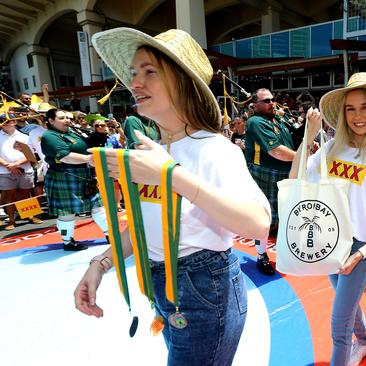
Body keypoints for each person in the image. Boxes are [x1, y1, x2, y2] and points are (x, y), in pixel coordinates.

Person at [73, 28, 270, 366]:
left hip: (204, 289)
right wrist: (100, 264)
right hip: (166, 289)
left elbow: (259, 225)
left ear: (182, 82)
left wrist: (172, 176)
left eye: (150, 72)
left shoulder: (213, 149)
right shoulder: (154, 150)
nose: (135, 83)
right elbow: (144, 225)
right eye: (134, 73)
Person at [290, 72, 366, 366]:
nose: (358, 116)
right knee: (348, 302)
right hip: (328, 239)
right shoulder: (332, 148)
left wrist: (360, 254)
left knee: (339, 322)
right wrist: (308, 136)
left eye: (365, 107)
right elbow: (296, 178)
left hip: (359, 246)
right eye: (350, 108)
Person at [244, 88, 297, 275]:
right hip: (264, 173)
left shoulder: (280, 120)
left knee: (286, 217)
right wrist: (303, 157)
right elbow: (276, 151)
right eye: (266, 101)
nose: (271, 103)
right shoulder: (255, 122)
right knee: (264, 218)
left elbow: (294, 139)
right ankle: (261, 255)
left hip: (285, 171)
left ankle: (285, 253)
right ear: (255, 105)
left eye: (272, 99)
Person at [40, 108, 109, 251]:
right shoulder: (49, 136)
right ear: (51, 121)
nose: (67, 120)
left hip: (83, 174)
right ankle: (67, 242)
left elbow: (87, 144)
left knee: (98, 207)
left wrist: (98, 135)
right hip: (64, 175)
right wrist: (89, 159)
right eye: (61, 118)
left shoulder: (72, 132)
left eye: (67, 117)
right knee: (67, 212)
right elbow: (65, 156)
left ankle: (111, 235)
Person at [0, 115, 42, 229]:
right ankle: (11, 221)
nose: (4, 123)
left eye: (7, 121)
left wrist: (15, 165)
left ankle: (30, 215)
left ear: (13, 122)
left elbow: (31, 155)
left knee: (26, 194)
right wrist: (8, 166)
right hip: (5, 171)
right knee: (10, 196)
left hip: (25, 170)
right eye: (2, 121)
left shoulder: (24, 137)